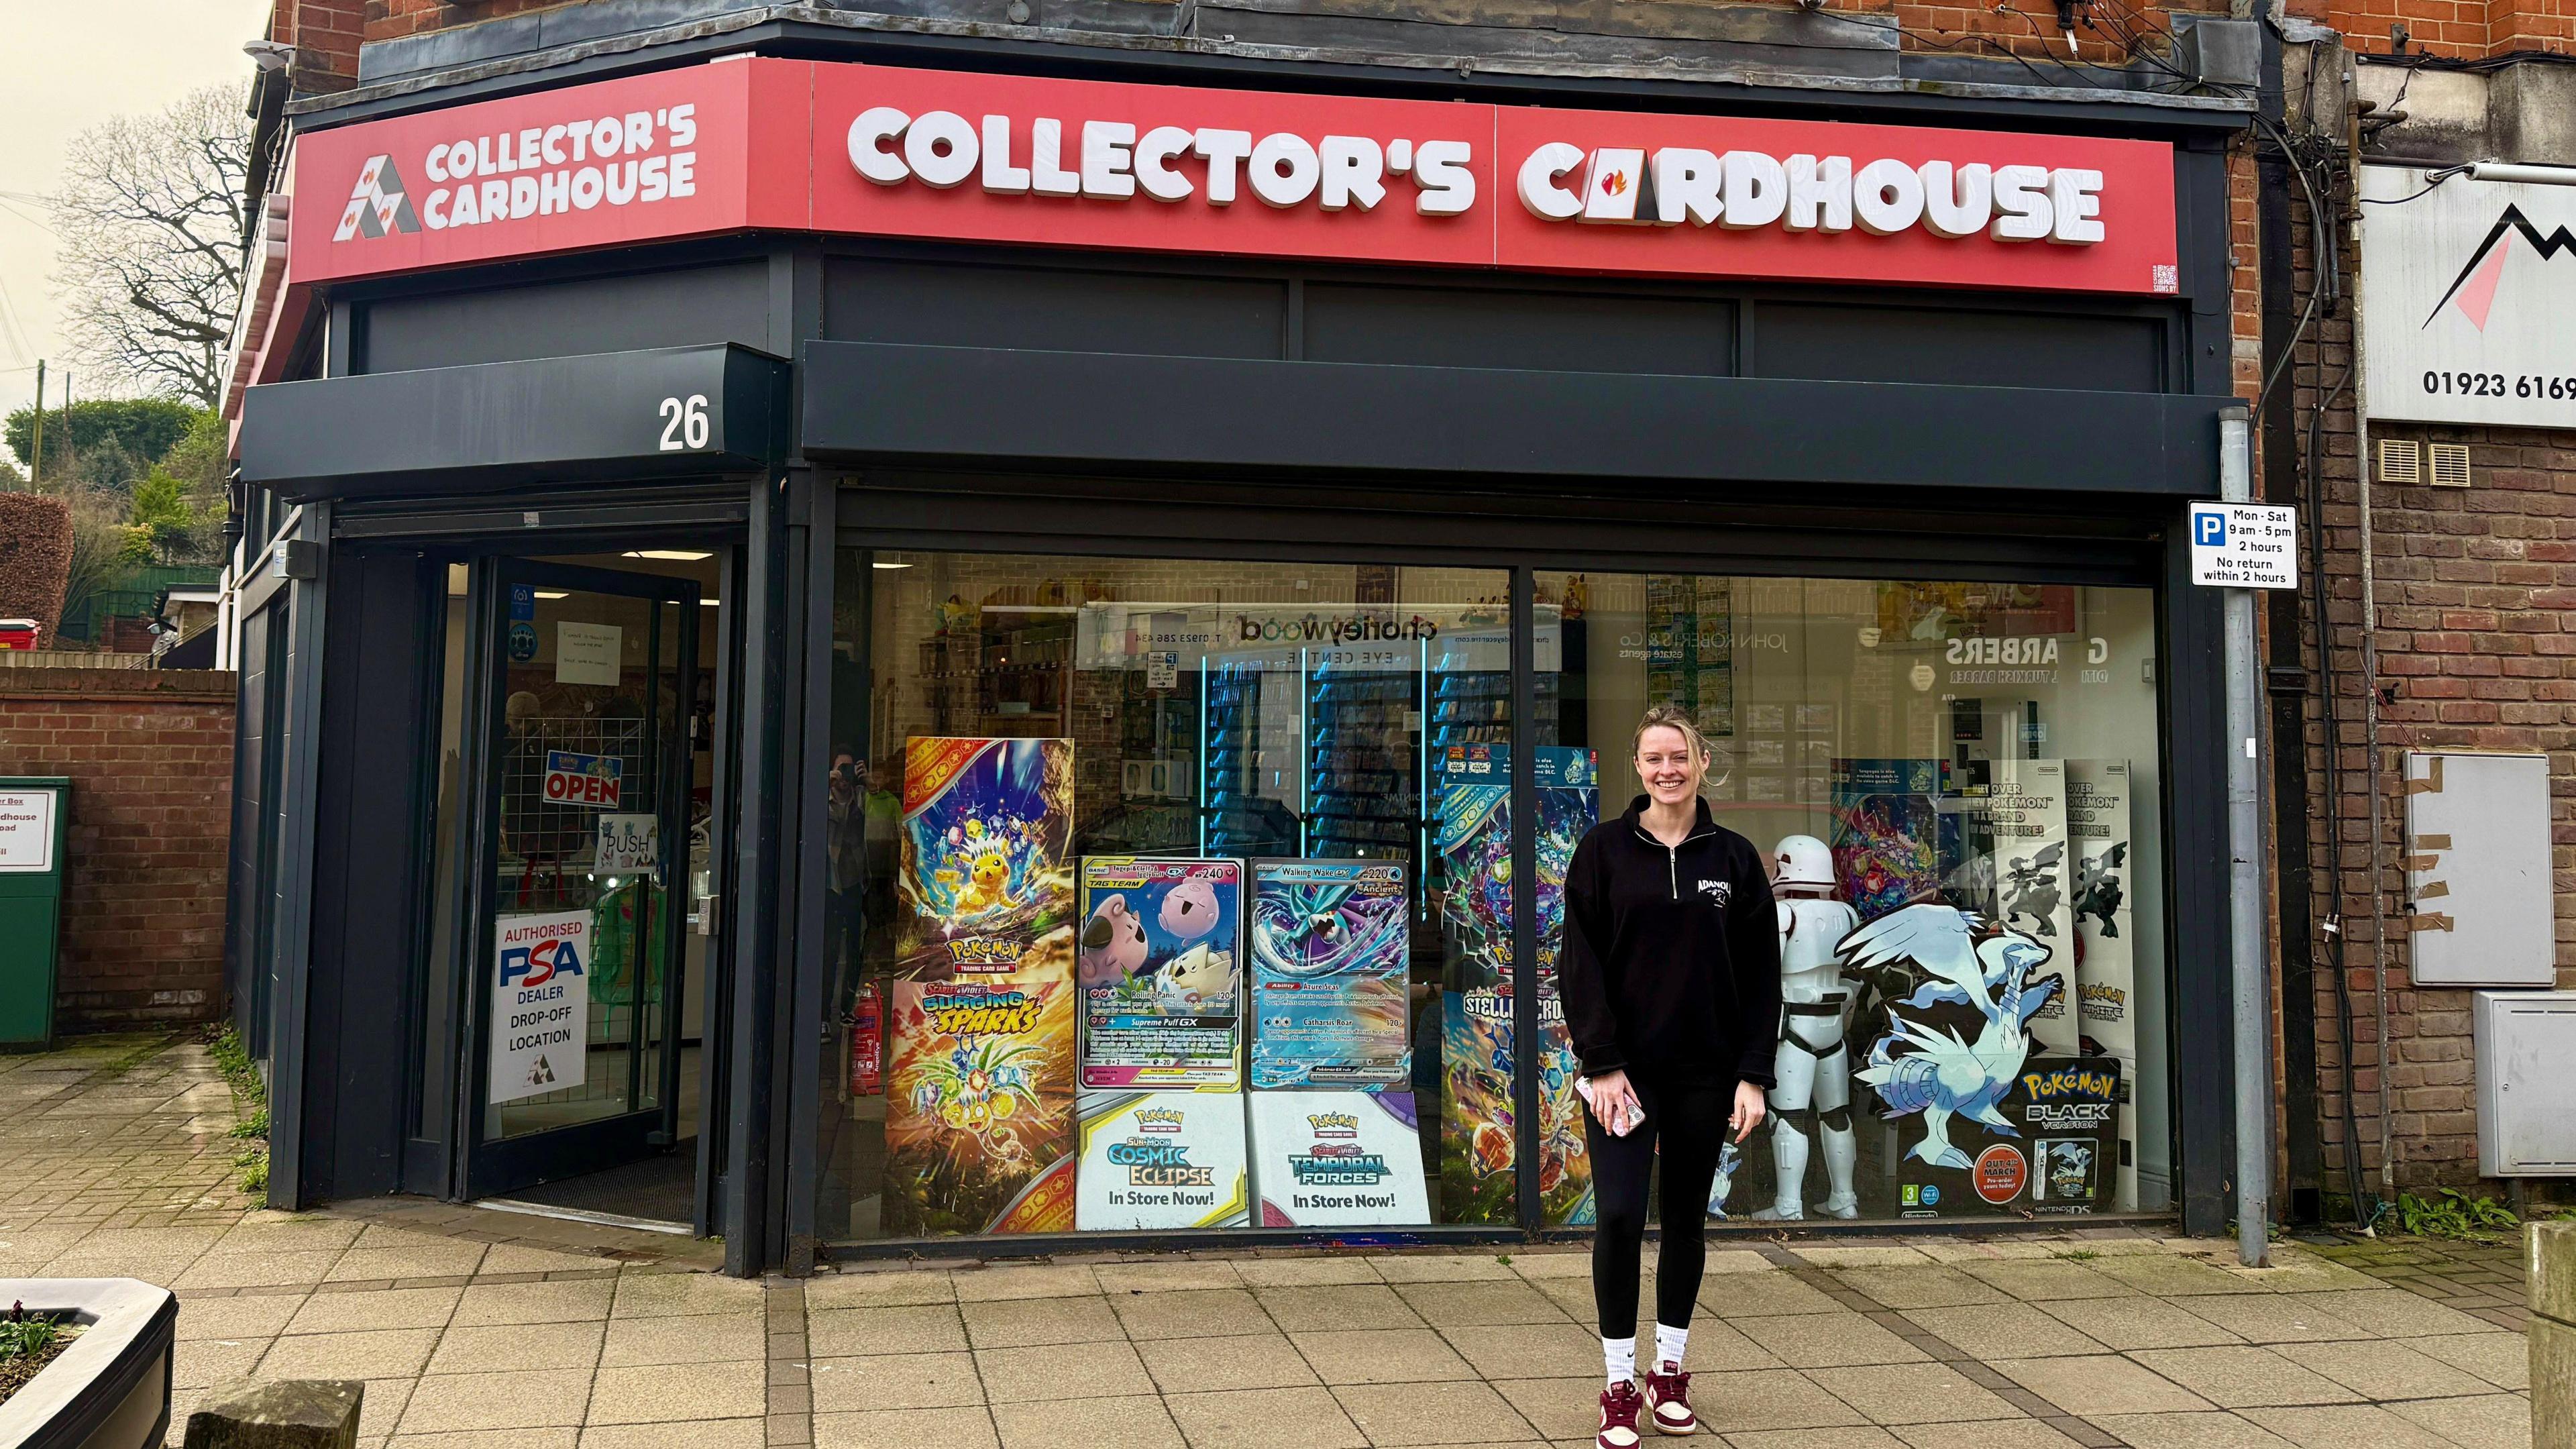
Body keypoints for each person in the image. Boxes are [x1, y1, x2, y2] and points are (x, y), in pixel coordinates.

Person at [1561, 704, 1783, 1446]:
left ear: (1702, 763)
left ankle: (1670, 1371)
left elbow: (1760, 978)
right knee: (1621, 1215)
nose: (1668, 769)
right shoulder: (1602, 851)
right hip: (1622, 1075)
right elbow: (1579, 965)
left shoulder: (1735, 859)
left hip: (1706, 1074)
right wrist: (1601, 1064)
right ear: (1638, 768)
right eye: (1654, 758)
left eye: (1679, 756)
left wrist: (1752, 1076)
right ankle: (1618, 1383)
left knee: (1686, 1219)